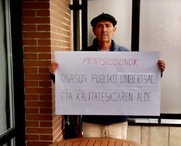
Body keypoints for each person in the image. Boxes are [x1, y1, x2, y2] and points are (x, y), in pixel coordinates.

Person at [50, 12, 166, 140]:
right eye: (99, 26)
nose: (104, 29)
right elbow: (71, 83)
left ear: (114, 30)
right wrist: (56, 75)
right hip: (91, 121)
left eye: (107, 25)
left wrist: (156, 71)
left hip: (118, 121)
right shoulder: (83, 55)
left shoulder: (126, 54)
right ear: (94, 31)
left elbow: (138, 83)